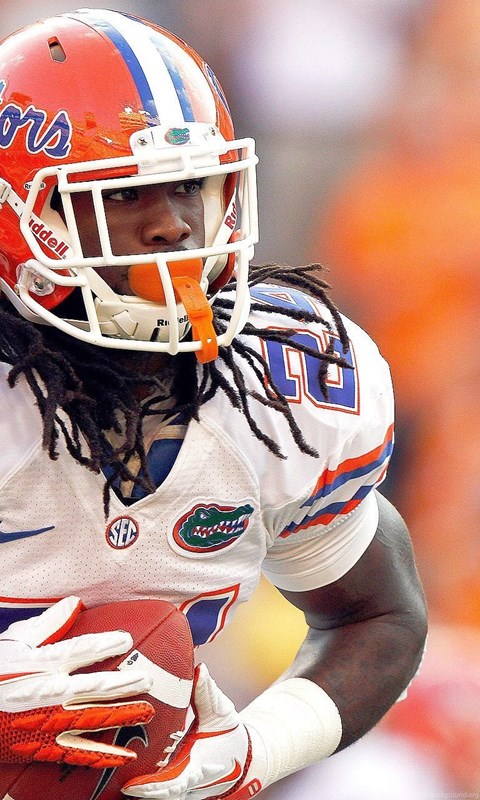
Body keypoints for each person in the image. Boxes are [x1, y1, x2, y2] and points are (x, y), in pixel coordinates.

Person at [0, 8, 427, 800]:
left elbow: (377, 617)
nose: (172, 224)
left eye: (188, 185)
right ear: (26, 217)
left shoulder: (279, 383)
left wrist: (259, 751)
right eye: (125, 193)